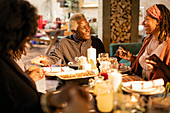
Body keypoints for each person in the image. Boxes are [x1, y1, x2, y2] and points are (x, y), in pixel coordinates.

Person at [0, 0, 90, 113]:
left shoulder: (7, 58)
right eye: (26, 38)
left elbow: (19, 97)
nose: (25, 44)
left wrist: (52, 99)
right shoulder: (3, 66)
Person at [116, 4, 170, 84]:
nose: (142, 23)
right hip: (140, 86)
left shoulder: (168, 44)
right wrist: (131, 58)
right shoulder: (147, 39)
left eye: (146, 19)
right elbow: (143, 66)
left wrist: (161, 65)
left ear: (158, 21)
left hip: (157, 92)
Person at [34, 13, 105, 65]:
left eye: (88, 26)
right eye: (83, 28)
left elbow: (103, 60)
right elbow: (53, 58)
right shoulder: (64, 43)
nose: (88, 29)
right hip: (70, 81)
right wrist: (46, 60)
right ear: (74, 31)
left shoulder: (96, 42)